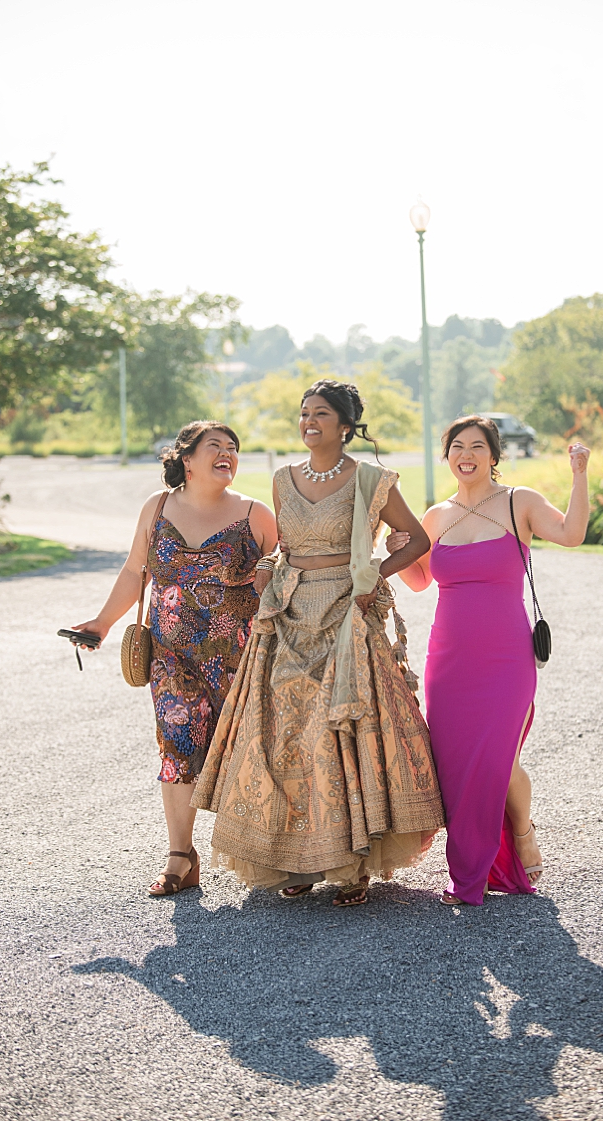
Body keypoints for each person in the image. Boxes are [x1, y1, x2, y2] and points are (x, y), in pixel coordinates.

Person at [191, 380, 444, 907]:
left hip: (347, 613)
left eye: (321, 414)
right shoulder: (283, 479)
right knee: (286, 733)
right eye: (304, 413)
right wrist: (266, 570)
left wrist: (376, 572)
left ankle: (349, 863)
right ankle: (294, 859)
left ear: (345, 425)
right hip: (288, 613)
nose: (309, 421)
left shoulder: (371, 479)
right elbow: (283, 548)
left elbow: (418, 540)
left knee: (340, 732)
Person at [70, 421, 277, 896]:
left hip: (240, 658)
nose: (227, 454)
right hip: (170, 657)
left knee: (249, 749)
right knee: (176, 747)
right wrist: (101, 622)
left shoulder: (254, 515)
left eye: (233, 448)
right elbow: (134, 570)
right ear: (187, 458)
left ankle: (268, 851)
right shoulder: (157, 507)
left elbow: (285, 572)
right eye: (215, 447)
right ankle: (180, 856)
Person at [393, 415, 589, 905]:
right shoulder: (436, 516)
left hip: (507, 656)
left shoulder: (518, 502)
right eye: (457, 446)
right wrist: (394, 547)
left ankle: (492, 857)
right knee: (457, 765)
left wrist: (579, 475)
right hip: (449, 659)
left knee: (498, 759)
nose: (467, 454)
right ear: (447, 456)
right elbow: (419, 580)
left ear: (494, 456)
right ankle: (488, 858)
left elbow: (571, 533)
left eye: (478, 446)